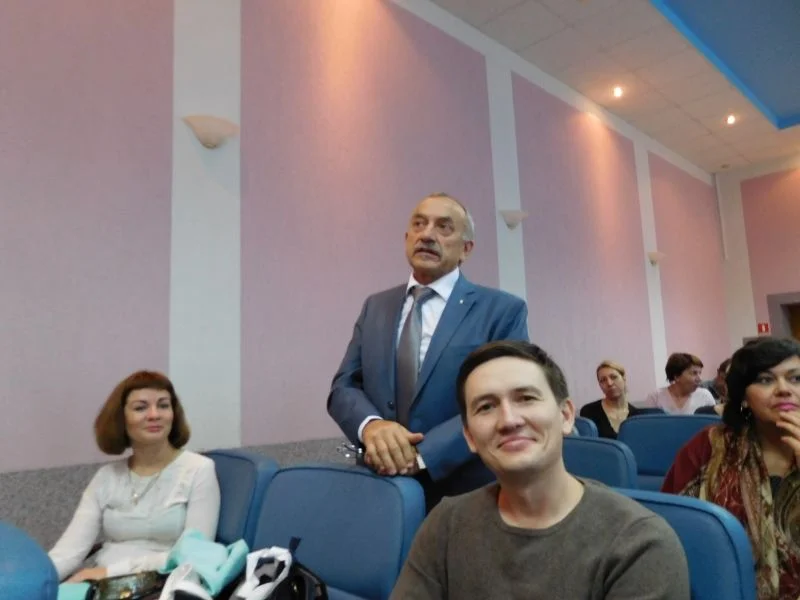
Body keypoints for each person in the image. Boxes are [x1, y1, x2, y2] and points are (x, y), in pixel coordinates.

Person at [391, 341, 690, 599]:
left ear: (566, 416)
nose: (508, 420)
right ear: (469, 437)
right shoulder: (445, 524)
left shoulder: (641, 544)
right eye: (486, 407)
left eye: (526, 398)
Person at [328, 193, 529, 510]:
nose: (427, 234)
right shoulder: (376, 307)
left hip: (466, 495)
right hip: (380, 490)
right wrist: (372, 426)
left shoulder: (501, 311)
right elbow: (345, 386)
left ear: (466, 249)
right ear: (407, 238)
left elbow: (502, 399)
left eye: (444, 227)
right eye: (419, 224)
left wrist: (423, 454)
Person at [49, 371, 220, 582]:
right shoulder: (106, 477)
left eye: (163, 405)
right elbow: (68, 552)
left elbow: (194, 552)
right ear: (121, 419)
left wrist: (109, 572)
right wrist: (33, 583)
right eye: (141, 408)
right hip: (102, 584)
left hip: (161, 585)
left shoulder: (199, 469)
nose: (154, 415)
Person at [662, 338, 800, 599]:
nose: (784, 389)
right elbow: (670, 528)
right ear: (743, 397)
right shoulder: (709, 447)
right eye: (765, 380)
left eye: (796, 378)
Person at [580, 360, 644, 439]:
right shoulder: (589, 411)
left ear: (624, 378)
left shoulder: (638, 417)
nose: (609, 383)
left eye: (614, 377)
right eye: (603, 380)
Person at [644, 353, 715, 414]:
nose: (699, 379)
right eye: (694, 373)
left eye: (700, 373)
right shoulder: (655, 397)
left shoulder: (705, 396)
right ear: (677, 376)